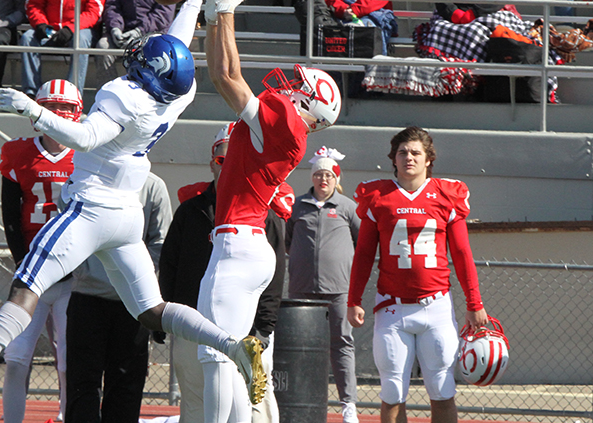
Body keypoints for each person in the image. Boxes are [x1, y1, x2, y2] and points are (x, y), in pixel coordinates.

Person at [0, 0, 270, 410]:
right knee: (151, 310)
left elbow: (83, 137)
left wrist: (33, 110)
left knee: (26, 285)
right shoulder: (176, 95)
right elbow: (175, 49)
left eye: (143, 56)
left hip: (92, 206)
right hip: (125, 214)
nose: (137, 53)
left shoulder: (122, 95)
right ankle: (233, 345)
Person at [199, 0, 340, 423]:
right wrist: (211, 20)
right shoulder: (287, 130)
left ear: (309, 102)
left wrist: (224, 15)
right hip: (248, 243)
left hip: (236, 244)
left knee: (215, 358)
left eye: (300, 83)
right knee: (235, 361)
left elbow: (226, 77)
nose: (288, 84)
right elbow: (219, 74)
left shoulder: (286, 124)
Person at [347, 126, 489, 423]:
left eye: (415, 152)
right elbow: (363, 254)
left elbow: (462, 255)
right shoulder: (378, 196)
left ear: (428, 160)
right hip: (392, 308)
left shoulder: (445, 195)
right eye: (402, 152)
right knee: (392, 391)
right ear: (393, 159)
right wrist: (354, 299)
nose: (408, 158)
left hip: (435, 306)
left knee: (442, 389)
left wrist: (475, 303)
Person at [158, 123, 290, 423]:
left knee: (255, 406)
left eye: (236, 158)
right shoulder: (189, 211)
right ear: (211, 163)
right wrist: (166, 317)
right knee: (194, 406)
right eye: (222, 159)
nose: (229, 165)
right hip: (192, 326)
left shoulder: (264, 215)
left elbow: (275, 276)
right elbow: (170, 265)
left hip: (246, 331)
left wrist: (263, 329)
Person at [0, 79, 82, 423]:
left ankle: (66, 417)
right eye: (53, 106)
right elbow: (9, 214)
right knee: (17, 354)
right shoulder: (18, 152)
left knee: (68, 358)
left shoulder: (87, 151)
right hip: (32, 269)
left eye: (66, 108)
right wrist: (24, 262)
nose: (59, 114)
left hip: (72, 271)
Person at [64, 172, 171, 423]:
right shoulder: (80, 179)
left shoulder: (153, 186)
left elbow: (160, 241)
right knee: (82, 383)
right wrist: (83, 270)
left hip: (133, 303)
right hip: (87, 296)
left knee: (126, 383)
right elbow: (66, 231)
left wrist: (136, 276)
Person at [285, 146, 360, 423]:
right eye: (319, 174)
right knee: (300, 346)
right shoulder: (296, 205)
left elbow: (362, 243)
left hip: (339, 289)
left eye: (328, 175)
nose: (323, 179)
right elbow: (287, 241)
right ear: (312, 177)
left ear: (336, 178)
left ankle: (348, 404)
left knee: (341, 343)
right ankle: (300, 401)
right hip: (301, 289)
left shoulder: (348, 207)